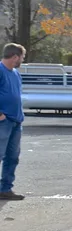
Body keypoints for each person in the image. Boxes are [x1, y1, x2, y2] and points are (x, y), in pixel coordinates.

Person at [0, 43, 26, 200]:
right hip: (3, 121)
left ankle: (5, 189)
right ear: (15, 57)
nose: (22, 59)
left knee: (12, 157)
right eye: (22, 57)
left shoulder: (15, 74)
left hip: (16, 122)